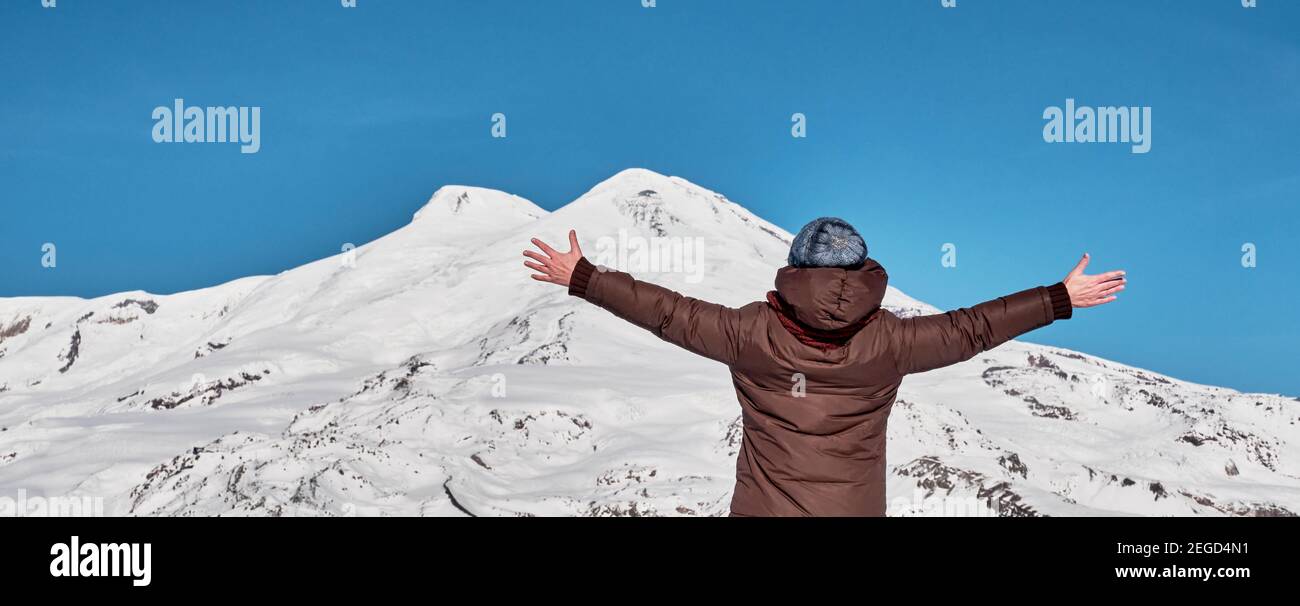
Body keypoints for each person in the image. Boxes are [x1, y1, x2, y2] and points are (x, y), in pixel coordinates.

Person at [522, 217, 1125, 516]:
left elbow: (667, 314)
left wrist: (583, 277)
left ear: (792, 271)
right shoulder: (892, 342)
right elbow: (971, 329)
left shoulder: (749, 334)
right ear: (865, 277)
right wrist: (1059, 298)